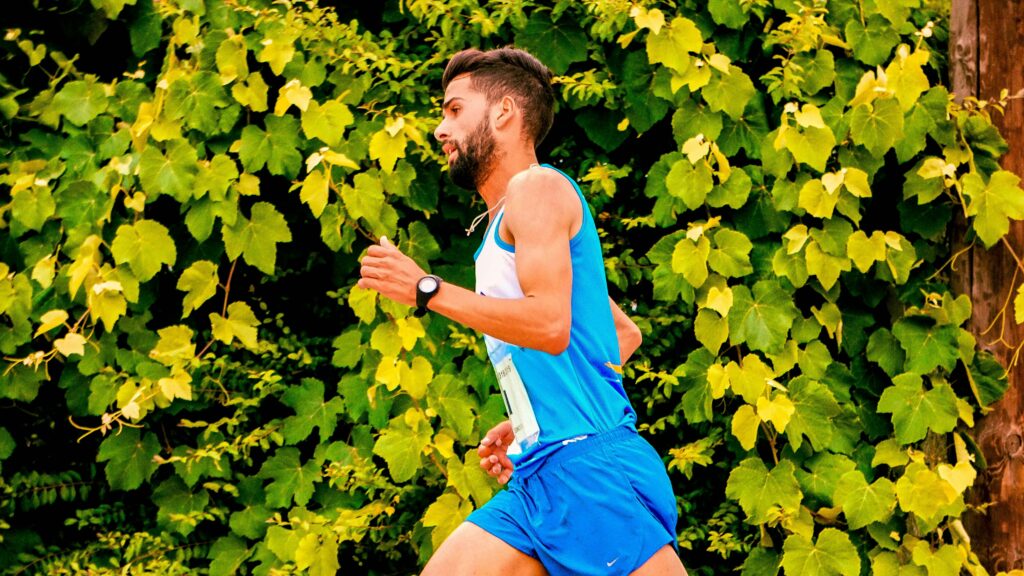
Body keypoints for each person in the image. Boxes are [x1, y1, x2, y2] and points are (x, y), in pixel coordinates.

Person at [357, 47, 687, 576]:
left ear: (504, 113)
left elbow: (552, 326)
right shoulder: (506, 225)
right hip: (540, 469)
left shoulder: (536, 189)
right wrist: (530, 416)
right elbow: (621, 334)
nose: (441, 130)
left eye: (454, 110)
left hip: (588, 469)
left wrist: (425, 288)